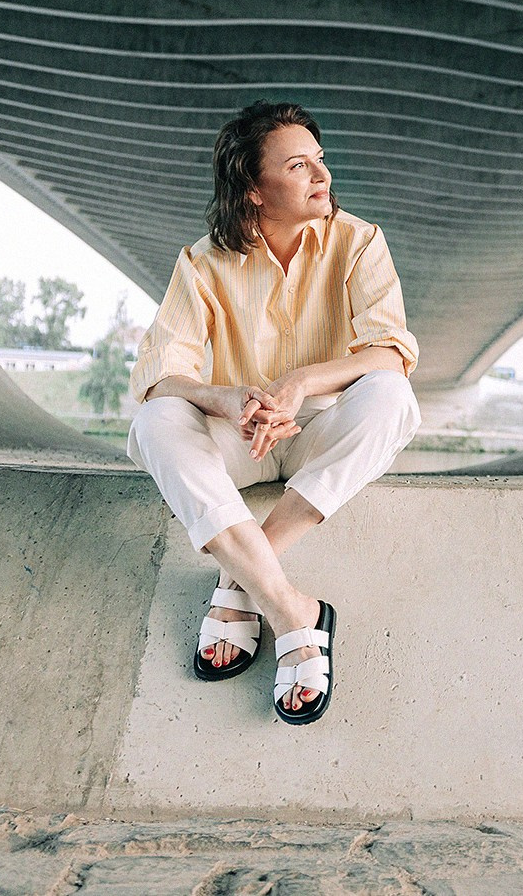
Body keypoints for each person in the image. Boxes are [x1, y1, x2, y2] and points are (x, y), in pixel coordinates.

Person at [125, 100, 422, 724]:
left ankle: (240, 584)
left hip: (320, 432)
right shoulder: (201, 263)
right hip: (242, 437)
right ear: (254, 190)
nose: (322, 175)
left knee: (392, 396)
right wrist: (226, 398)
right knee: (156, 420)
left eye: (320, 160)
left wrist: (303, 381)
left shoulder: (359, 241)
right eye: (298, 165)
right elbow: (158, 375)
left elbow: (392, 352)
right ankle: (292, 612)